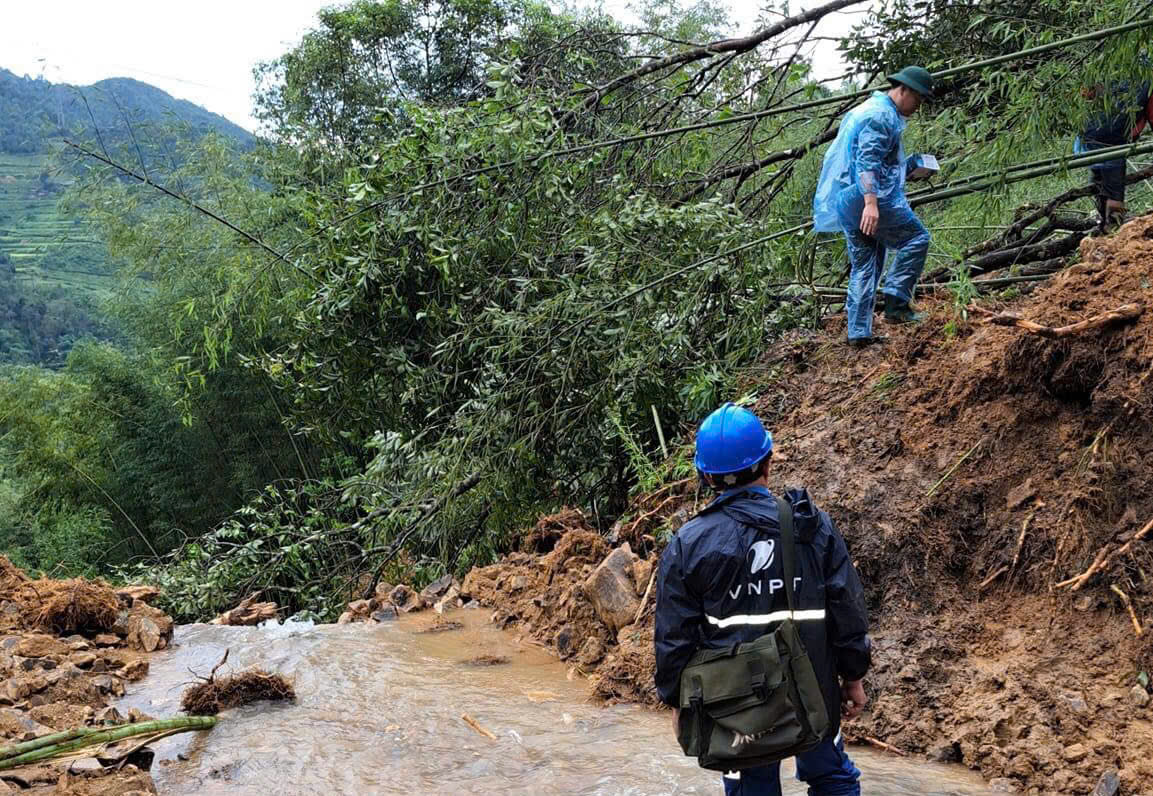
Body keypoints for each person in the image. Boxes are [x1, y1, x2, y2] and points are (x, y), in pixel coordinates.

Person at [654, 402, 872, 795]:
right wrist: (853, 676)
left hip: (737, 706)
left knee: (751, 787)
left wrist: (677, 704)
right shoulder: (811, 525)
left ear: (705, 476)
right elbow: (848, 609)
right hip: (815, 693)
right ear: (768, 462)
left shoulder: (688, 544)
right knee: (832, 778)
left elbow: (674, 640)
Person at [812, 66, 935, 349]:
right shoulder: (881, 116)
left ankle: (858, 332)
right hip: (868, 197)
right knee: (916, 239)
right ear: (903, 90)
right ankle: (897, 305)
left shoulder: (873, 108)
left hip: (849, 199)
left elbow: (877, 163)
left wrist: (909, 170)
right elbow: (867, 163)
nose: (918, 106)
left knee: (865, 264)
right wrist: (871, 204)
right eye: (918, 98)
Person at [1075, 79, 1153, 231]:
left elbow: (1086, 93)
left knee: (1100, 181)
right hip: (1113, 137)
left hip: (1088, 133)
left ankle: (1103, 222)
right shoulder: (1147, 80)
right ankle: (1113, 230)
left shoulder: (1110, 69)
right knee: (1114, 189)